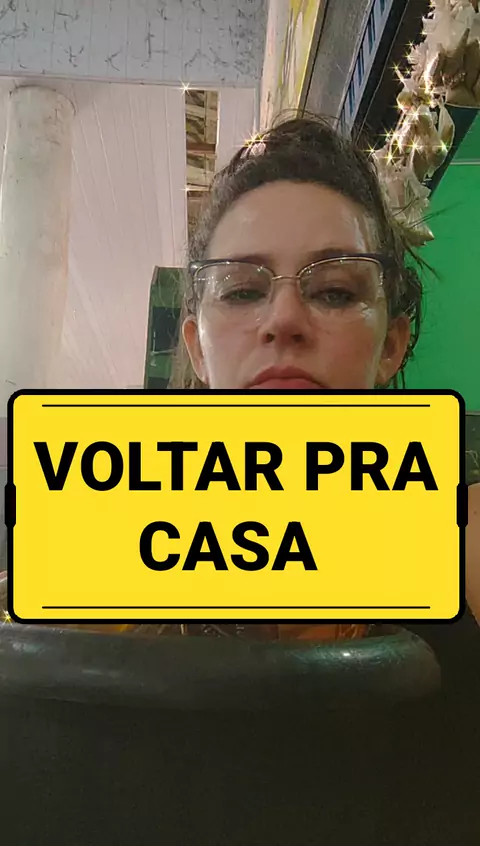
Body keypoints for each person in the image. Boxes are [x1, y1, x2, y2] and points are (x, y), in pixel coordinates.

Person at [171, 113, 480, 630]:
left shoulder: (462, 534)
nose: (284, 319)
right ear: (197, 349)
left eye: (335, 292)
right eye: (242, 291)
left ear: (391, 346)